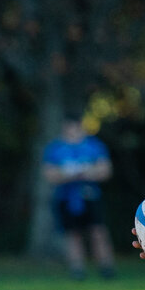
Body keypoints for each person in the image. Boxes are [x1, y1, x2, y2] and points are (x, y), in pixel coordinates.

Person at [43, 118, 116, 280]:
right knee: (72, 234)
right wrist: (68, 174)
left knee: (98, 232)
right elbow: (49, 174)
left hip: (91, 196)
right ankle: (77, 270)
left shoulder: (93, 146)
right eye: (69, 129)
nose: (72, 133)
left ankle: (106, 268)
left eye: (75, 129)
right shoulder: (56, 148)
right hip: (66, 198)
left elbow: (105, 170)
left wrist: (87, 172)